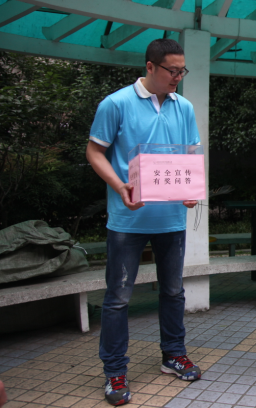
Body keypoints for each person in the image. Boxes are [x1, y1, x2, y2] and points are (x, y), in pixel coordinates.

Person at [85, 39, 201, 406]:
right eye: (172, 70)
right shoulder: (116, 103)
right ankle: (115, 371)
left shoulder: (184, 107)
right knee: (118, 298)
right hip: (127, 220)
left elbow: (190, 154)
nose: (178, 77)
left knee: (173, 292)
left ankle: (173, 354)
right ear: (150, 67)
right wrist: (119, 186)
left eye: (182, 71)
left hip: (171, 219)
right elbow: (94, 151)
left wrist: (191, 188)